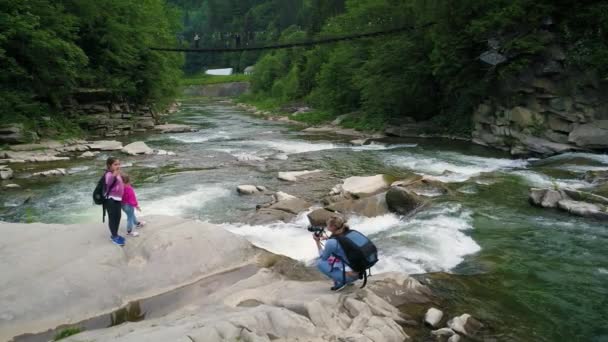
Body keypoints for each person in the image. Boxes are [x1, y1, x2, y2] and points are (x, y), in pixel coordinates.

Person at [314, 216, 359, 291]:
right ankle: (346, 279)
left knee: (319, 262)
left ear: (333, 227)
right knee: (336, 256)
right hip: (359, 273)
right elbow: (341, 245)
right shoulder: (349, 233)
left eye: (327, 225)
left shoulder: (332, 242)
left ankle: (342, 281)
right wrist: (328, 239)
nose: (326, 226)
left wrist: (317, 242)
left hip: (349, 277)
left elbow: (323, 257)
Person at [104, 157, 125, 246]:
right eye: (115, 164)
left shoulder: (117, 174)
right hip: (110, 200)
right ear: (109, 165)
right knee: (113, 218)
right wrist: (114, 174)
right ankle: (114, 236)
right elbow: (108, 183)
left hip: (117, 199)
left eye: (118, 164)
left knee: (118, 217)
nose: (118, 166)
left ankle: (116, 234)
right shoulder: (108, 174)